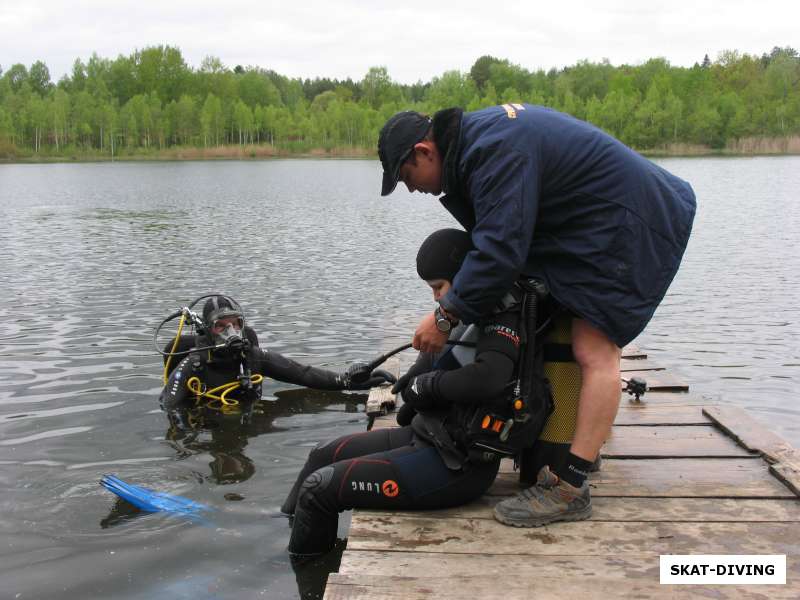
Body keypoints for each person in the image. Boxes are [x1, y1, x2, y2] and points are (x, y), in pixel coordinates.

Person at [378, 103, 696, 527]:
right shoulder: (476, 145)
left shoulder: (492, 152)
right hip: (594, 219)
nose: (410, 188)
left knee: (594, 350)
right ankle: (573, 448)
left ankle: (571, 487)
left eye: (405, 176)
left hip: (631, 218)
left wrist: (444, 318)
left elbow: (499, 252)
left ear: (424, 151)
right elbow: (498, 242)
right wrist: (428, 360)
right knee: (555, 320)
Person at [282, 228, 536, 556]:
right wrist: (415, 384)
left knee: (321, 488)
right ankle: (286, 533)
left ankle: (301, 567)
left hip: (459, 466)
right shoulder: (462, 314)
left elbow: (488, 378)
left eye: (439, 287)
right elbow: (436, 365)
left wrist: (426, 386)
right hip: (429, 436)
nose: (435, 298)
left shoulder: (503, 314)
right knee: (322, 454)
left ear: (464, 276)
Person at [159, 295, 395, 433]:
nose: (231, 332)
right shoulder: (194, 364)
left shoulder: (252, 356)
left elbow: (303, 374)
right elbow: (168, 406)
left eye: (236, 324)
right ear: (209, 331)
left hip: (246, 419)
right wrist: (198, 430)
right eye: (221, 326)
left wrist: (349, 381)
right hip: (211, 424)